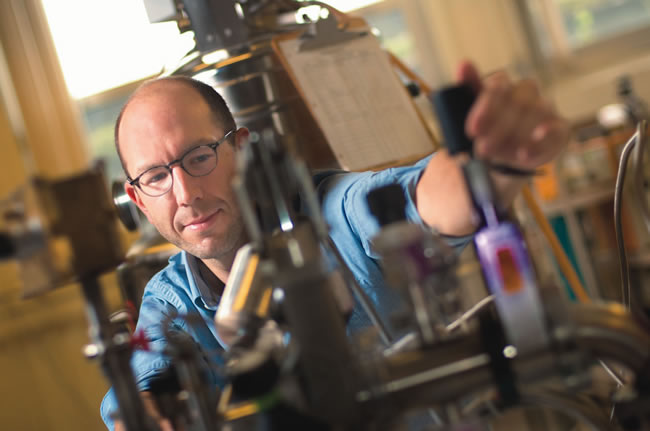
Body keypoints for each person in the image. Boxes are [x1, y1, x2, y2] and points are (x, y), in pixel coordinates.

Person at [101, 61, 569, 430]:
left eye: (199, 157)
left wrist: (488, 167)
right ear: (139, 201)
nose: (185, 193)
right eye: (156, 177)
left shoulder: (331, 213)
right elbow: (140, 390)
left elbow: (423, 198)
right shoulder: (172, 299)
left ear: (242, 150)